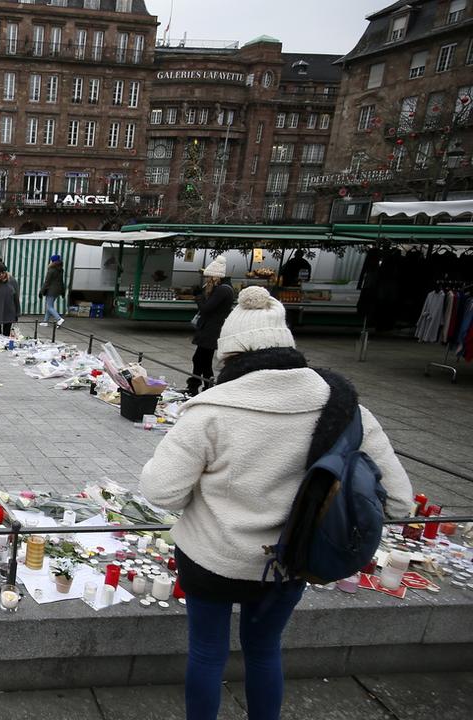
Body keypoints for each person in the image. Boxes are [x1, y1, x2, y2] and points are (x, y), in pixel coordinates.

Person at [139, 286, 412, 720]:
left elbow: (161, 492)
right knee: (264, 651)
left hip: (211, 558)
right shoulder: (345, 407)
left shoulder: (211, 409)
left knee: (207, 655)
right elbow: (399, 501)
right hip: (292, 558)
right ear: (287, 342)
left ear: (228, 352)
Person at [188, 257, 234, 396]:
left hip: (212, 330)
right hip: (210, 328)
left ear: (215, 276)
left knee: (203, 360)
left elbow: (206, 308)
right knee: (200, 359)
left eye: (208, 277)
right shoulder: (222, 288)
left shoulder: (223, 290)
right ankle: (199, 386)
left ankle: (203, 387)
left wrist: (198, 297)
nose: (206, 280)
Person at [37, 254, 66, 327]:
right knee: (50, 306)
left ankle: (59, 319)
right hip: (57, 291)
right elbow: (61, 281)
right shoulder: (61, 270)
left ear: (52, 261)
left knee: (49, 306)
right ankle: (45, 321)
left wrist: (41, 291)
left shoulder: (51, 270)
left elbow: (47, 282)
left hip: (51, 291)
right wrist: (63, 291)